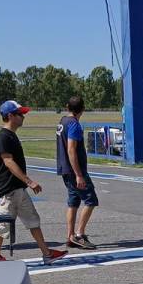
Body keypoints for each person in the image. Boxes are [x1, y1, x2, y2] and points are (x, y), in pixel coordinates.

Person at [0, 100, 67, 263]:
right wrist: (29, 181)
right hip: (8, 189)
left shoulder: (12, 135)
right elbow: (8, 162)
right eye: (20, 114)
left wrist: (25, 183)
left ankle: (47, 254)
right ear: (10, 116)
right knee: (3, 224)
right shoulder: (2, 136)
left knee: (33, 220)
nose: (23, 117)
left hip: (19, 189)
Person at [57, 96, 99, 250]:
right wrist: (79, 174)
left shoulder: (62, 121)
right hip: (75, 170)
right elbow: (71, 149)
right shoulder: (74, 124)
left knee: (73, 201)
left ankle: (70, 236)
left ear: (67, 107)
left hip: (65, 169)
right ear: (83, 109)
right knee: (91, 200)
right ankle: (80, 234)